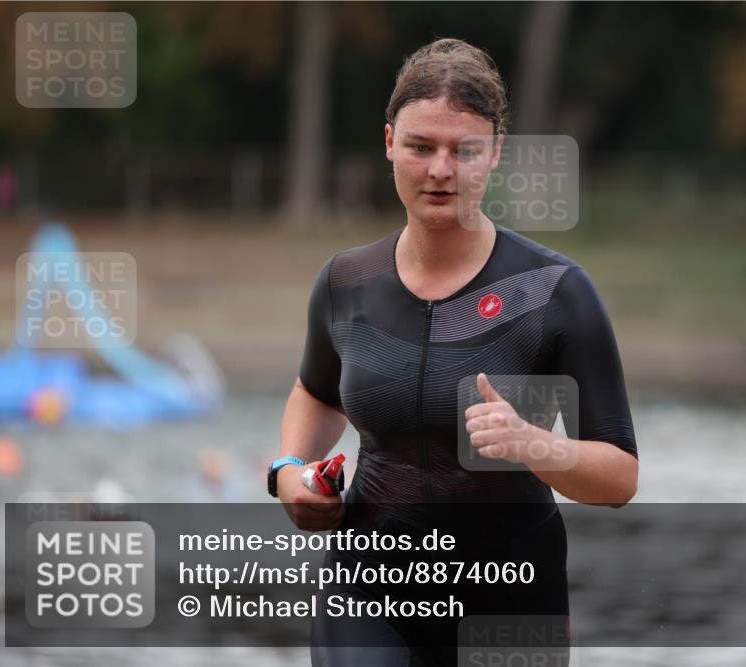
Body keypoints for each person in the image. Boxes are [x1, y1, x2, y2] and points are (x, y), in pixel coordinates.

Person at [271, 37, 639, 667]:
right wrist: (289, 474)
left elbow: (619, 477)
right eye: (420, 146)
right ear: (390, 143)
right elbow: (316, 392)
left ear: (493, 154)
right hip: (368, 590)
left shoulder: (555, 292)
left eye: (463, 150)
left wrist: (532, 444)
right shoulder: (345, 284)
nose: (440, 170)